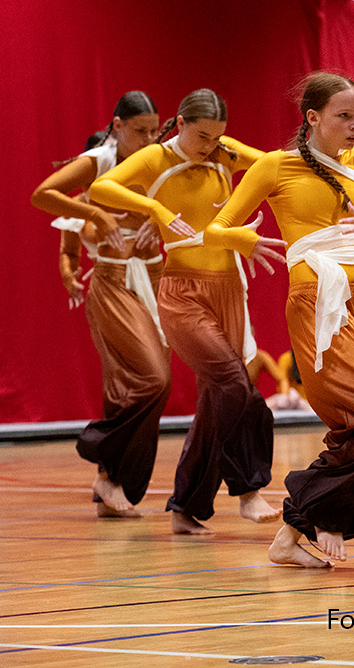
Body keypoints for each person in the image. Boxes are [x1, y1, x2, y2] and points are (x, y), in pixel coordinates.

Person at [205, 71, 354, 565]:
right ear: (313, 118)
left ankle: (291, 535)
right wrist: (247, 240)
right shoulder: (274, 167)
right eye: (344, 116)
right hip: (319, 300)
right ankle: (316, 511)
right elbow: (217, 230)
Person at [89, 89, 279, 536]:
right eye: (201, 135)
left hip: (229, 288)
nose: (210, 144)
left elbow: (273, 164)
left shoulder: (224, 154)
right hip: (181, 292)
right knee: (235, 384)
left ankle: (186, 508)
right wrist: (153, 206)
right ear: (180, 121)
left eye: (218, 137)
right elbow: (102, 187)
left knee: (220, 398)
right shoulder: (156, 158)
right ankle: (249, 490)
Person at [30, 91, 167, 518]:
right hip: (112, 282)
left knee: (128, 386)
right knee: (153, 379)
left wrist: (156, 219)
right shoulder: (100, 164)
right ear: (117, 125)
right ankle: (99, 453)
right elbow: (43, 195)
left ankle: (112, 482)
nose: (148, 139)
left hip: (158, 278)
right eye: (140, 131)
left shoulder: (159, 159)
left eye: (153, 130)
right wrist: (97, 216)